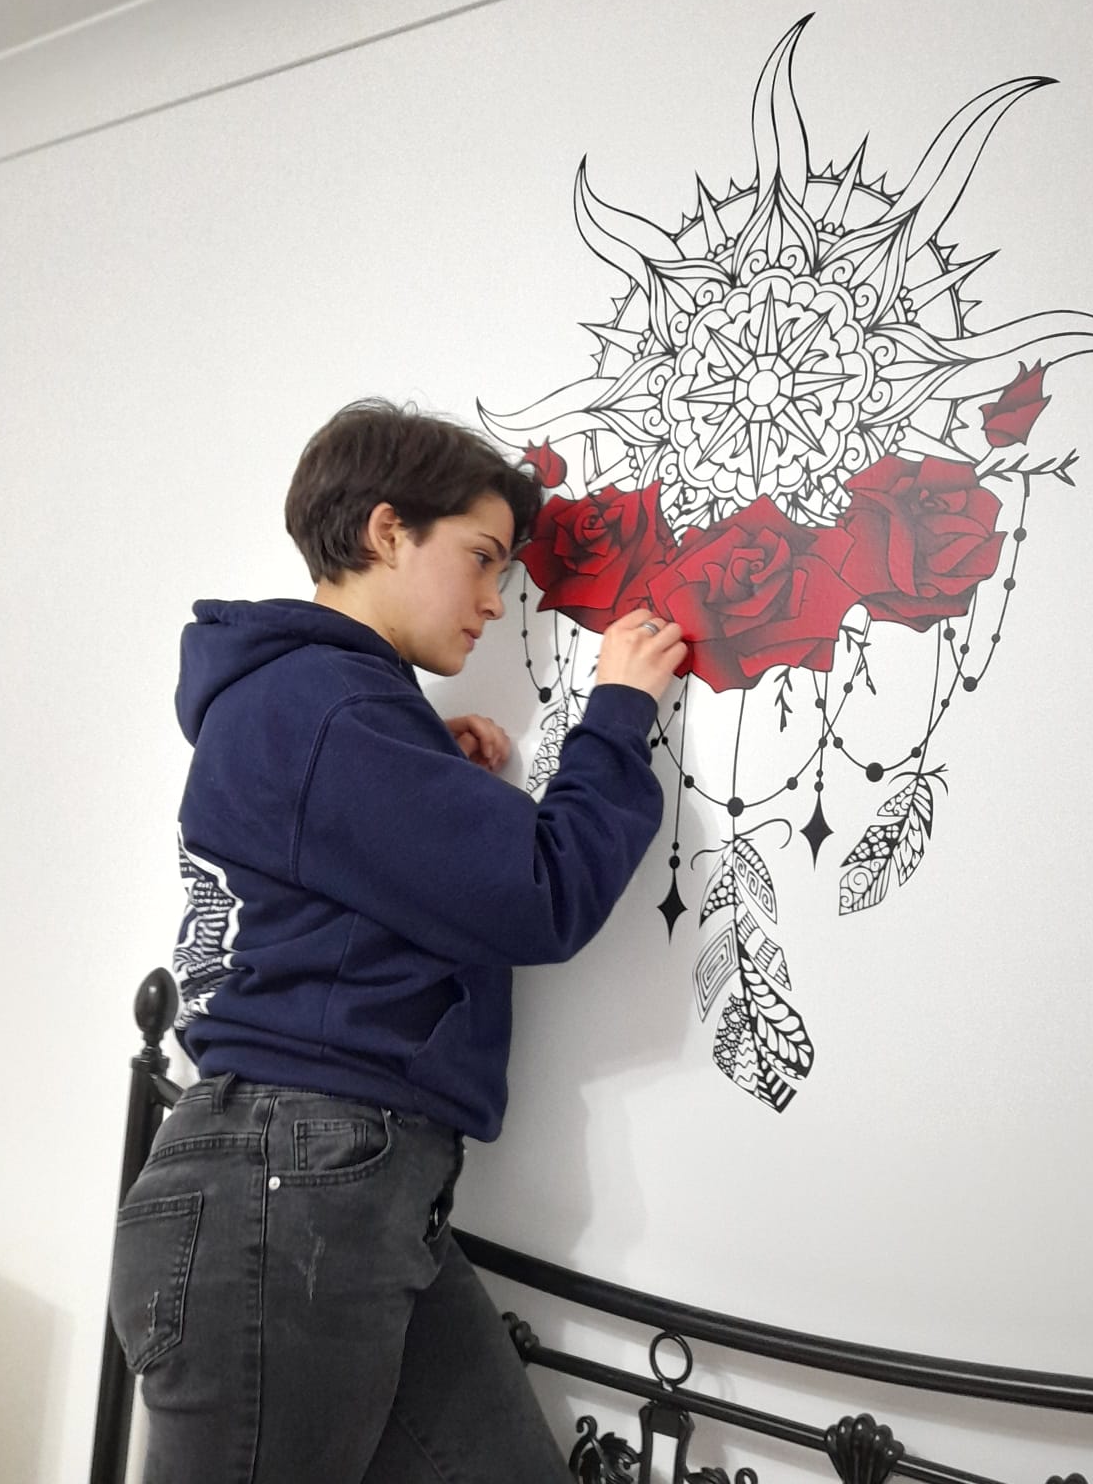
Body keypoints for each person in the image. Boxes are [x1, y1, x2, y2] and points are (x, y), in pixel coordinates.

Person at [108, 398, 687, 1483]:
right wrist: (615, 713)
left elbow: (339, 895)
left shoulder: (319, 707)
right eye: (482, 557)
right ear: (387, 530)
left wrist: (425, 764)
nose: (494, 598)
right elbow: (539, 895)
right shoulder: (324, 705)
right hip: (294, 1182)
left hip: (327, 1184)